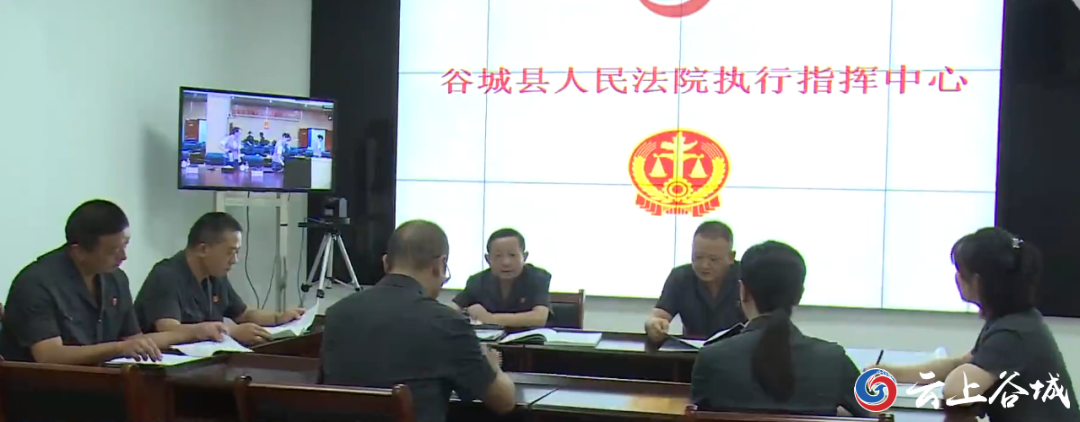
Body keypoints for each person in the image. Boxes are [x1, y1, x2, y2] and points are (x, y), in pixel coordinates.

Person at [870, 228, 1079, 422]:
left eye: (960, 271)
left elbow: (957, 390)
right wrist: (891, 373)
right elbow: (958, 365)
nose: (956, 278)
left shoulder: (1013, 334)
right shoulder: (1012, 320)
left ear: (977, 282)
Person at [320, 220, 516, 422]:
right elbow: (504, 401)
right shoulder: (446, 322)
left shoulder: (336, 314)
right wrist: (491, 365)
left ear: (386, 263)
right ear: (440, 265)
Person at [0, 200, 207, 364]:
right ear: (79, 251)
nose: (123, 256)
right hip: (45, 389)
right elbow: (49, 356)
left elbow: (133, 339)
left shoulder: (116, 278)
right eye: (113, 250)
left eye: (125, 245)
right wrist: (118, 349)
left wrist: (193, 334)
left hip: (103, 380)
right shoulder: (36, 283)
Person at [690, 241, 868, 416]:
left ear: (743, 291)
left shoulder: (711, 359)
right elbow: (876, 412)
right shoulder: (833, 360)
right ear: (799, 295)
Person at [134, 212, 305, 346]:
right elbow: (169, 330)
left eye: (237, 252)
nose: (235, 260)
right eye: (230, 252)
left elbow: (243, 314)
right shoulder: (166, 276)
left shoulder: (215, 274)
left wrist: (278, 318)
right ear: (203, 250)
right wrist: (231, 332)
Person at [645, 221, 745, 342]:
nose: (704, 265)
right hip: (693, 350)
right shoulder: (680, 277)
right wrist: (654, 325)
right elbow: (658, 316)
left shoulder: (747, 276)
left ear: (731, 257)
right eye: (698, 257)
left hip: (739, 349)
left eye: (713, 259)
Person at [451, 228, 551, 328]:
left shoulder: (538, 277)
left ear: (524, 257)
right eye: (498, 256)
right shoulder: (477, 281)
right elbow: (453, 308)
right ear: (488, 259)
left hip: (529, 336)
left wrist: (488, 318)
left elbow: (539, 318)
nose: (505, 262)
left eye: (512, 255)